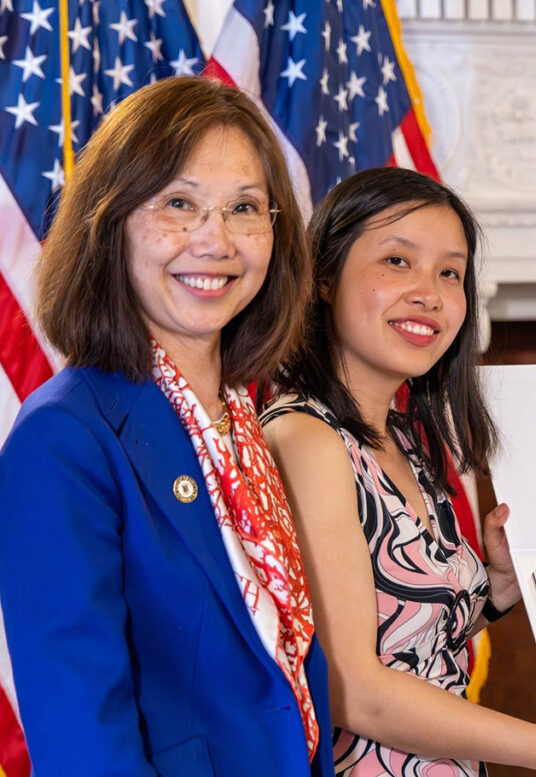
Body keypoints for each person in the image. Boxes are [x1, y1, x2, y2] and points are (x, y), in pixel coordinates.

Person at [260, 166, 536, 776]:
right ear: (322, 278)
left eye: (450, 272)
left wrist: (499, 585)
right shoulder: (306, 439)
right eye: (397, 262)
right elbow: (351, 687)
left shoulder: (398, 438)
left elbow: (408, 642)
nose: (430, 292)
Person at [0, 77, 333, 776]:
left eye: (244, 206)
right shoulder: (63, 439)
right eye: (179, 203)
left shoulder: (240, 419)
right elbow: (85, 742)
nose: (214, 240)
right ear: (110, 221)